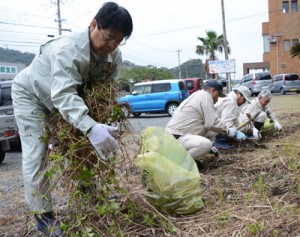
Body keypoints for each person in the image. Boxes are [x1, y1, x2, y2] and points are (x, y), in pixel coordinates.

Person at [11, 2, 133, 236]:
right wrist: (89, 126)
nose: (112, 45)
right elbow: (64, 94)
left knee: (81, 144)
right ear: (94, 25)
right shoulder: (68, 50)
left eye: (119, 41)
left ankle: (88, 190)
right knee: (37, 151)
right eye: (109, 37)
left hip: (64, 101)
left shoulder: (113, 55)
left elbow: (105, 90)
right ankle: (43, 216)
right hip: (33, 94)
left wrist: (100, 120)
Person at [166, 79, 237, 165]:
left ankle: (191, 159)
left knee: (212, 132)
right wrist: (228, 131)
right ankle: (179, 163)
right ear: (213, 90)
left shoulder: (197, 95)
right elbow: (212, 123)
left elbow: (208, 125)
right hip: (177, 137)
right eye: (218, 96)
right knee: (206, 145)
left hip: (175, 136)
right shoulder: (206, 96)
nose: (217, 100)